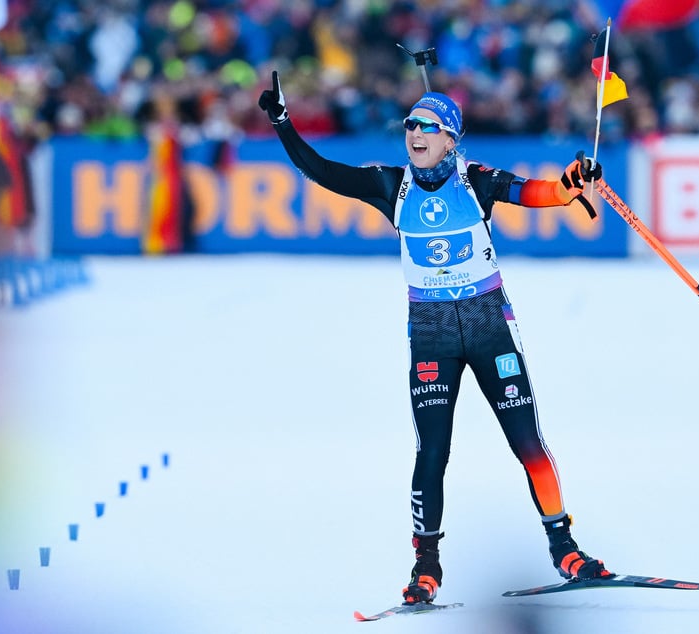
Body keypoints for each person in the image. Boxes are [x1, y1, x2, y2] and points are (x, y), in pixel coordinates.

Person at [258, 71, 611, 605]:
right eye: (409, 126)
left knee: (528, 443)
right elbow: (322, 171)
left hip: (489, 324)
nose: (414, 134)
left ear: (451, 137)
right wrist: (283, 122)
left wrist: (570, 183)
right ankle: (426, 566)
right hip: (432, 333)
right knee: (432, 452)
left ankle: (565, 548)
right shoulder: (389, 184)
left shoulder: (478, 180)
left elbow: (539, 193)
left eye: (427, 127)